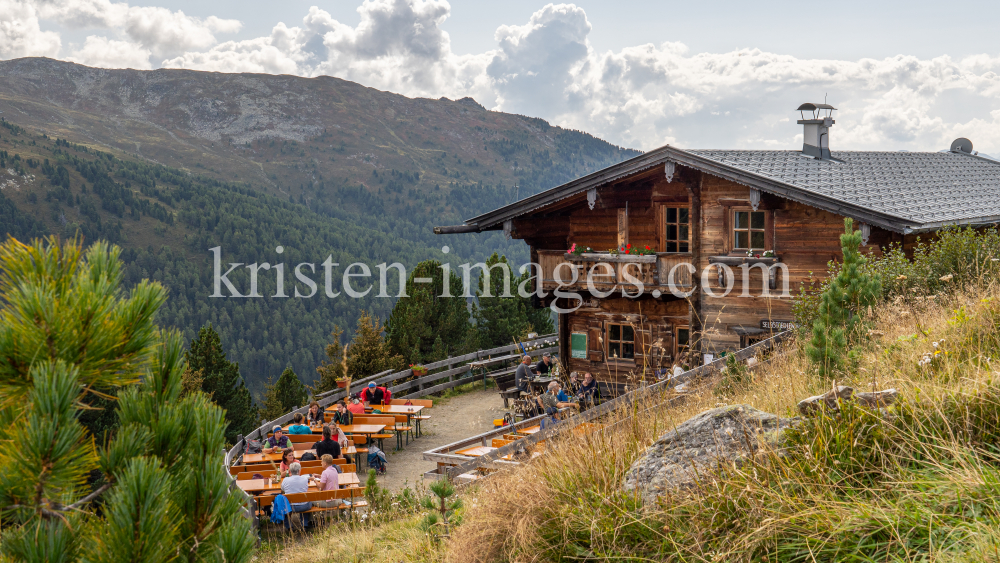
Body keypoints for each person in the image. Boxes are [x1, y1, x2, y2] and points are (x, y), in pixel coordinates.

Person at [280, 462, 312, 527]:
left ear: (290, 471)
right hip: (304, 506)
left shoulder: (285, 480)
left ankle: (288, 526)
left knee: (283, 505)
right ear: (299, 470)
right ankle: (304, 523)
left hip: (290, 506)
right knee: (308, 500)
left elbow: (282, 489)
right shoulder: (304, 479)